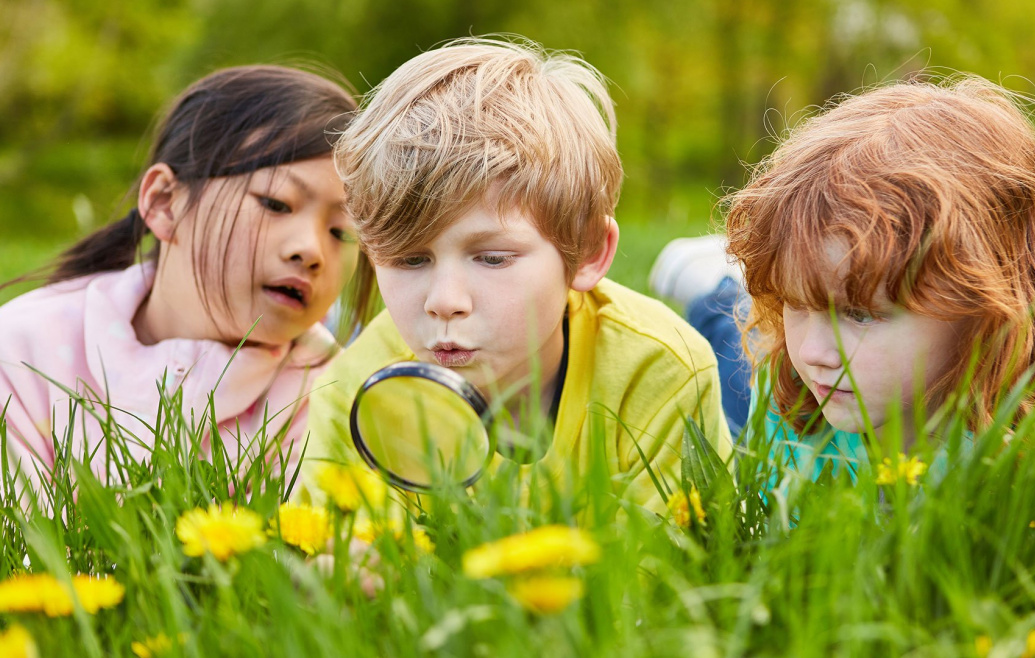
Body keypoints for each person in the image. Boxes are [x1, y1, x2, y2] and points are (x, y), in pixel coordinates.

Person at [296, 37, 730, 514]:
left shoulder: (660, 369)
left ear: (586, 252)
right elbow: (328, 558)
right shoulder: (352, 389)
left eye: (493, 258)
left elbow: (663, 567)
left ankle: (720, 290)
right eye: (409, 260)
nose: (444, 301)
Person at [656, 76, 1035, 480]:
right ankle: (716, 287)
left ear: (988, 303)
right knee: (734, 358)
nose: (813, 351)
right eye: (796, 302)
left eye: (859, 313)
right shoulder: (788, 417)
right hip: (765, 390)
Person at [0, 65, 370, 490]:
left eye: (342, 232)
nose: (312, 250)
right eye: (276, 204)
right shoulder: (20, 352)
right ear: (164, 203)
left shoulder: (333, 395)